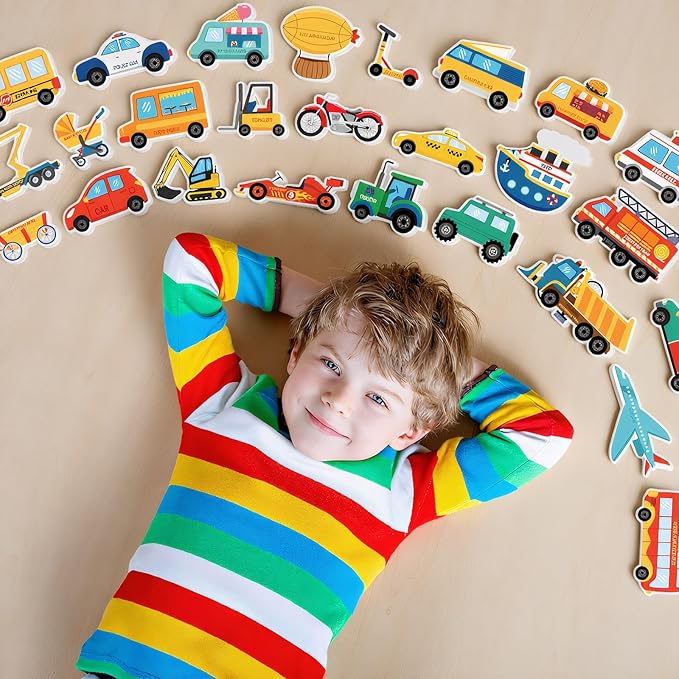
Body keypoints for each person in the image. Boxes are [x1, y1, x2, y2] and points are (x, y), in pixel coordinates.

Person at [76, 232, 573, 679]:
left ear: (411, 430)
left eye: (378, 398)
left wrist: (435, 365)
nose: (338, 400)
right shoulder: (222, 405)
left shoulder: (405, 491)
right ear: (296, 354)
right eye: (330, 363)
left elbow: (543, 436)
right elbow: (193, 262)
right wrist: (330, 308)